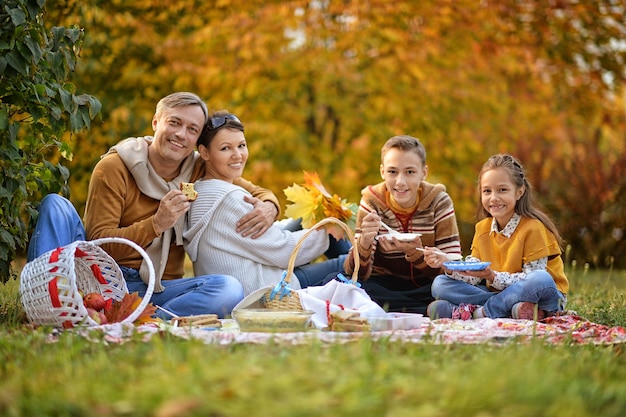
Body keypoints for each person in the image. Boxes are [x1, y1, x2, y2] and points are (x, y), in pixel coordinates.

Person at [28, 92, 280, 319]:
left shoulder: (199, 168)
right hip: (103, 279)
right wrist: (156, 224)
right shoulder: (115, 167)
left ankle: (143, 320)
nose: (181, 134)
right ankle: (46, 303)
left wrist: (270, 207)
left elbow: (258, 191)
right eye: (174, 122)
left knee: (228, 289)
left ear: (198, 142)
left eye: (192, 129)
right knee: (55, 204)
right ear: (156, 123)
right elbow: (98, 243)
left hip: (158, 288)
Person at [184, 110, 348, 296]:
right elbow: (283, 252)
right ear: (204, 152)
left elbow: (259, 238)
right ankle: (369, 273)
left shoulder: (203, 189)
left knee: (312, 219)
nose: (237, 155)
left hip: (254, 273)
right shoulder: (228, 198)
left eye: (241, 145)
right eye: (225, 148)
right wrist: (329, 227)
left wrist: (321, 221)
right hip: (265, 290)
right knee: (350, 260)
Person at [426, 154, 569, 320]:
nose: (494, 198)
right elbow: (472, 275)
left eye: (502, 190)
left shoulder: (533, 228)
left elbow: (532, 278)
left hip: (542, 295)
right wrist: (448, 264)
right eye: (487, 191)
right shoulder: (482, 229)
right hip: (505, 294)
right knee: (440, 284)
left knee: (540, 279)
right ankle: (514, 310)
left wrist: (492, 276)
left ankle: (480, 312)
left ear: (519, 192)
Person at [342, 135, 462, 315]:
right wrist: (364, 242)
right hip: (383, 284)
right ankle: (428, 310)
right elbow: (355, 273)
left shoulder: (439, 201)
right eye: (392, 172)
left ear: (424, 172)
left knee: (447, 287)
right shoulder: (371, 201)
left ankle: (405, 308)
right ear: (382, 171)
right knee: (344, 284)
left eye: (410, 172)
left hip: (427, 285)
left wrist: (416, 254)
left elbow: (455, 268)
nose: (400, 182)